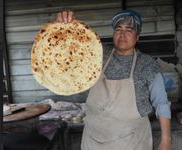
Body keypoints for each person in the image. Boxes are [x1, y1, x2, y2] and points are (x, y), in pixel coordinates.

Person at [56, 9, 171, 150]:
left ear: (138, 36)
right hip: (93, 140)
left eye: (129, 30)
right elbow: (70, 48)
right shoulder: (98, 54)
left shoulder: (148, 64)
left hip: (132, 141)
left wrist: (166, 140)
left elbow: (161, 102)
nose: (122, 35)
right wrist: (67, 25)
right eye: (118, 29)